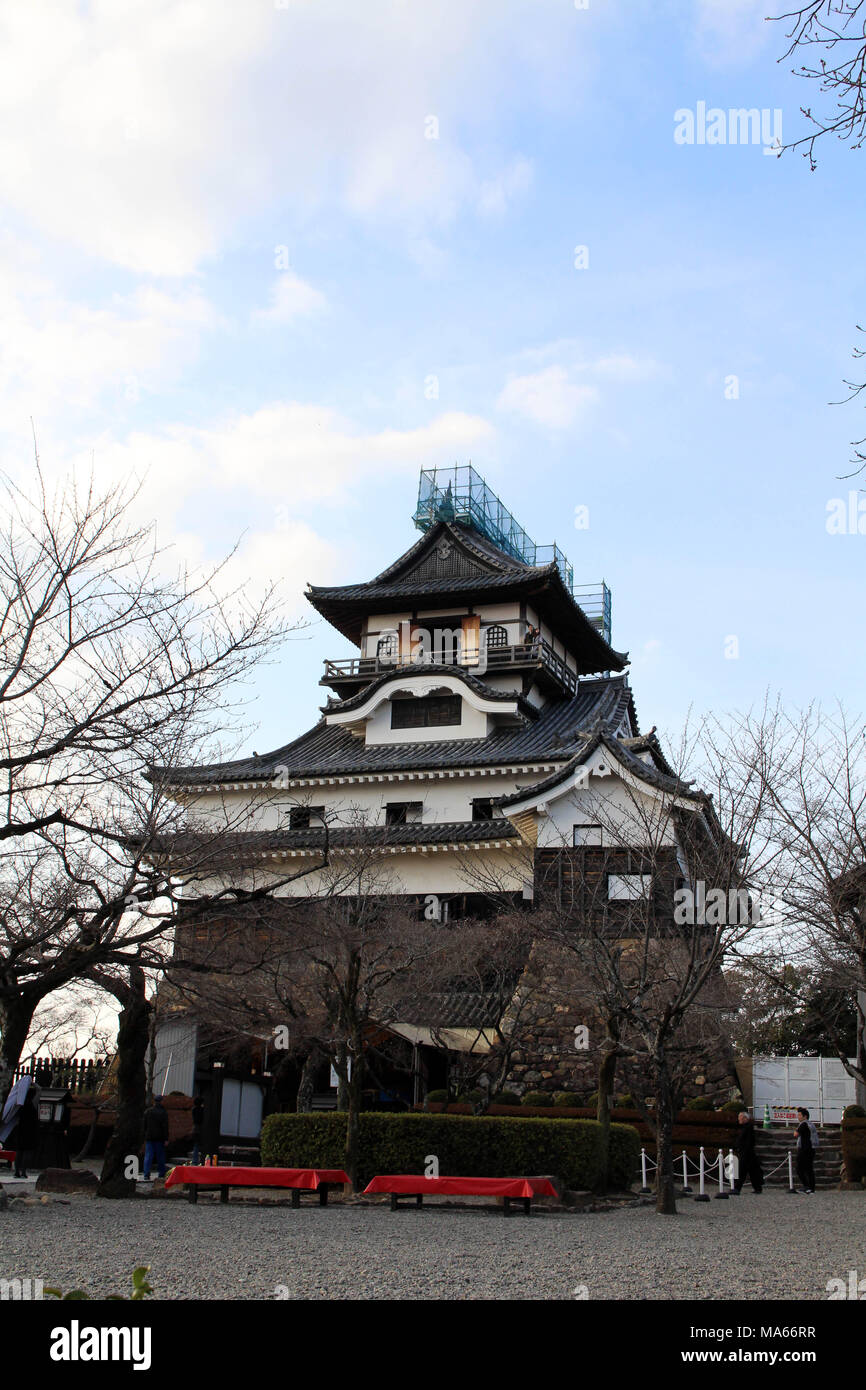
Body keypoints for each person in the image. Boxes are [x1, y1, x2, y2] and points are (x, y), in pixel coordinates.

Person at [733, 1111, 763, 1193]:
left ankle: (737, 1188)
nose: (739, 1119)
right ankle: (757, 1188)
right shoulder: (746, 1127)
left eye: (740, 1117)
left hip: (746, 1153)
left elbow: (749, 1141)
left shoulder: (748, 1128)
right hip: (747, 1152)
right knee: (752, 1171)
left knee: (742, 1170)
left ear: (745, 1118)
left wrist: (744, 1150)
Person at [13, 1087, 39, 1179]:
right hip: (30, 1130)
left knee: (19, 1151)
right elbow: (39, 1089)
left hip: (21, 1129)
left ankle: (16, 1171)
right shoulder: (33, 1105)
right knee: (27, 1152)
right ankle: (23, 1171)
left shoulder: (21, 1104)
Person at [142, 1095, 169, 1180]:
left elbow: (144, 1125)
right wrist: (166, 1138)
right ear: (161, 1101)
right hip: (160, 1137)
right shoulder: (163, 1112)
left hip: (149, 1136)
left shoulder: (148, 1111)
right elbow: (165, 1126)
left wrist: (144, 1135)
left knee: (148, 1156)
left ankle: (146, 1173)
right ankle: (161, 1173)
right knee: (160, 1156)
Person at [795, 1106, 816, 1193]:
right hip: (811, 1148)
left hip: (804, 1149)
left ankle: (806, 1185)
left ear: (805, 1116)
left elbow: (795, 1134)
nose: (798, 1117)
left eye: (800, 1115)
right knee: (809, 1169)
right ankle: (811, 1188)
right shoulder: (811, 1124)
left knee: (799, 1168)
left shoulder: (804, 1124)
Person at [190, 1095, 204, 1165]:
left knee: (196, 1145)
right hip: (200, 1129)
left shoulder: (194, 1109)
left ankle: (195, 1161)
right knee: (201, 1146)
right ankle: (201, 1160)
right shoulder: (202, 1110)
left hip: (195, 1128)